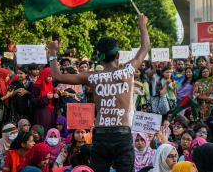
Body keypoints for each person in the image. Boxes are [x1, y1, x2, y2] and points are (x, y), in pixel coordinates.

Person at [48, 14, 149, 172]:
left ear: (100, 57)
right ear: (118, 55)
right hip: (122, 133)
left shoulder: (92, 76)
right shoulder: (127, 71)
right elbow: (144, 49)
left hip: (101, 134)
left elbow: (57, 76)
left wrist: (52, 51)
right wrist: (142, 25)